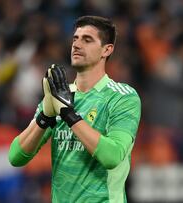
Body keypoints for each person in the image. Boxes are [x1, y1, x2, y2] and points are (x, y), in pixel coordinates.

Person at [8, 15, 141, 202]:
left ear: (107, 50)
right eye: (75, 39)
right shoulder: (59, 95)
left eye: (87, 40)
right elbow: (15, 157)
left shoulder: (122, 96)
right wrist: (45, 117)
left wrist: (68, 115)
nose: (77, 45)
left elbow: (112, 156)